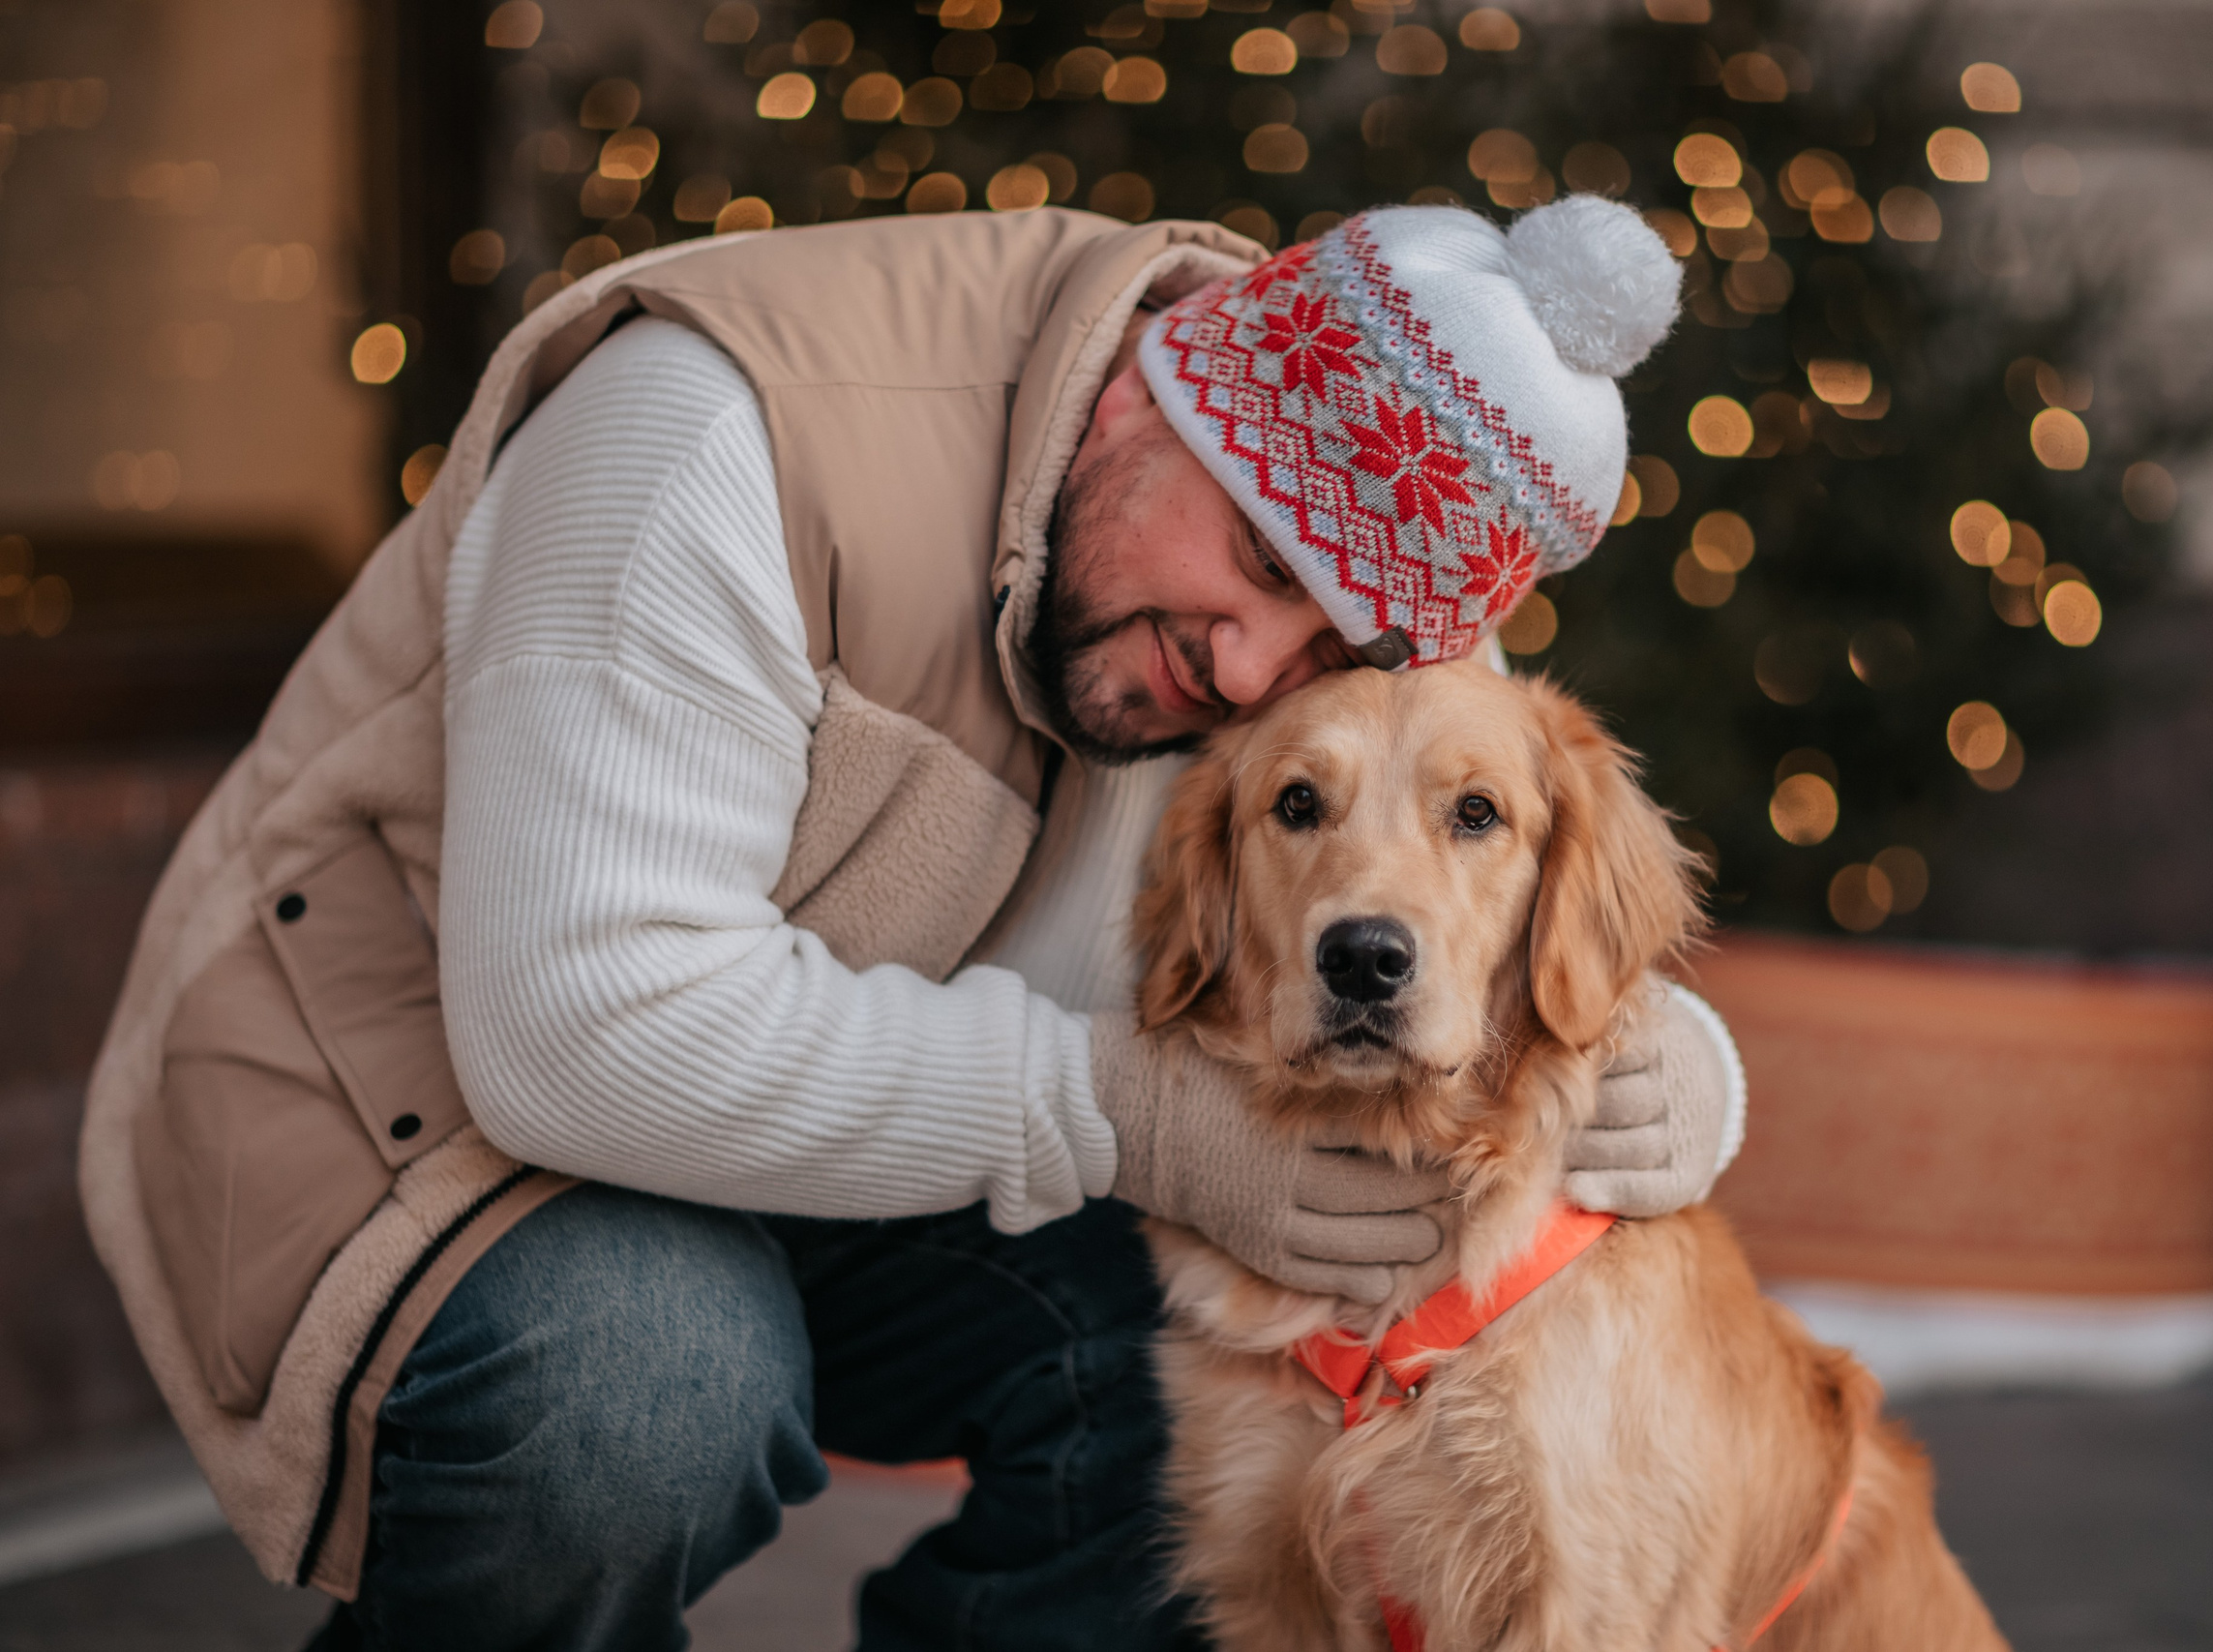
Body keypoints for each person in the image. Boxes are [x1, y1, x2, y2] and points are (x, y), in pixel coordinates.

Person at [82, 196, 1741, 1651]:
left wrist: (1665, 1064)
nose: (1245, 670)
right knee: (648, 1388)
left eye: (1323, 642)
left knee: (1226, 1336)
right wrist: (1123, 1112)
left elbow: (1458, 842)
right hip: (405, 1101)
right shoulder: (707, 440)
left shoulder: (1246, 589)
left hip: (837, 1099)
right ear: (1162, 391)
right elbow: (579, 1032)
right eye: (1247, 557)